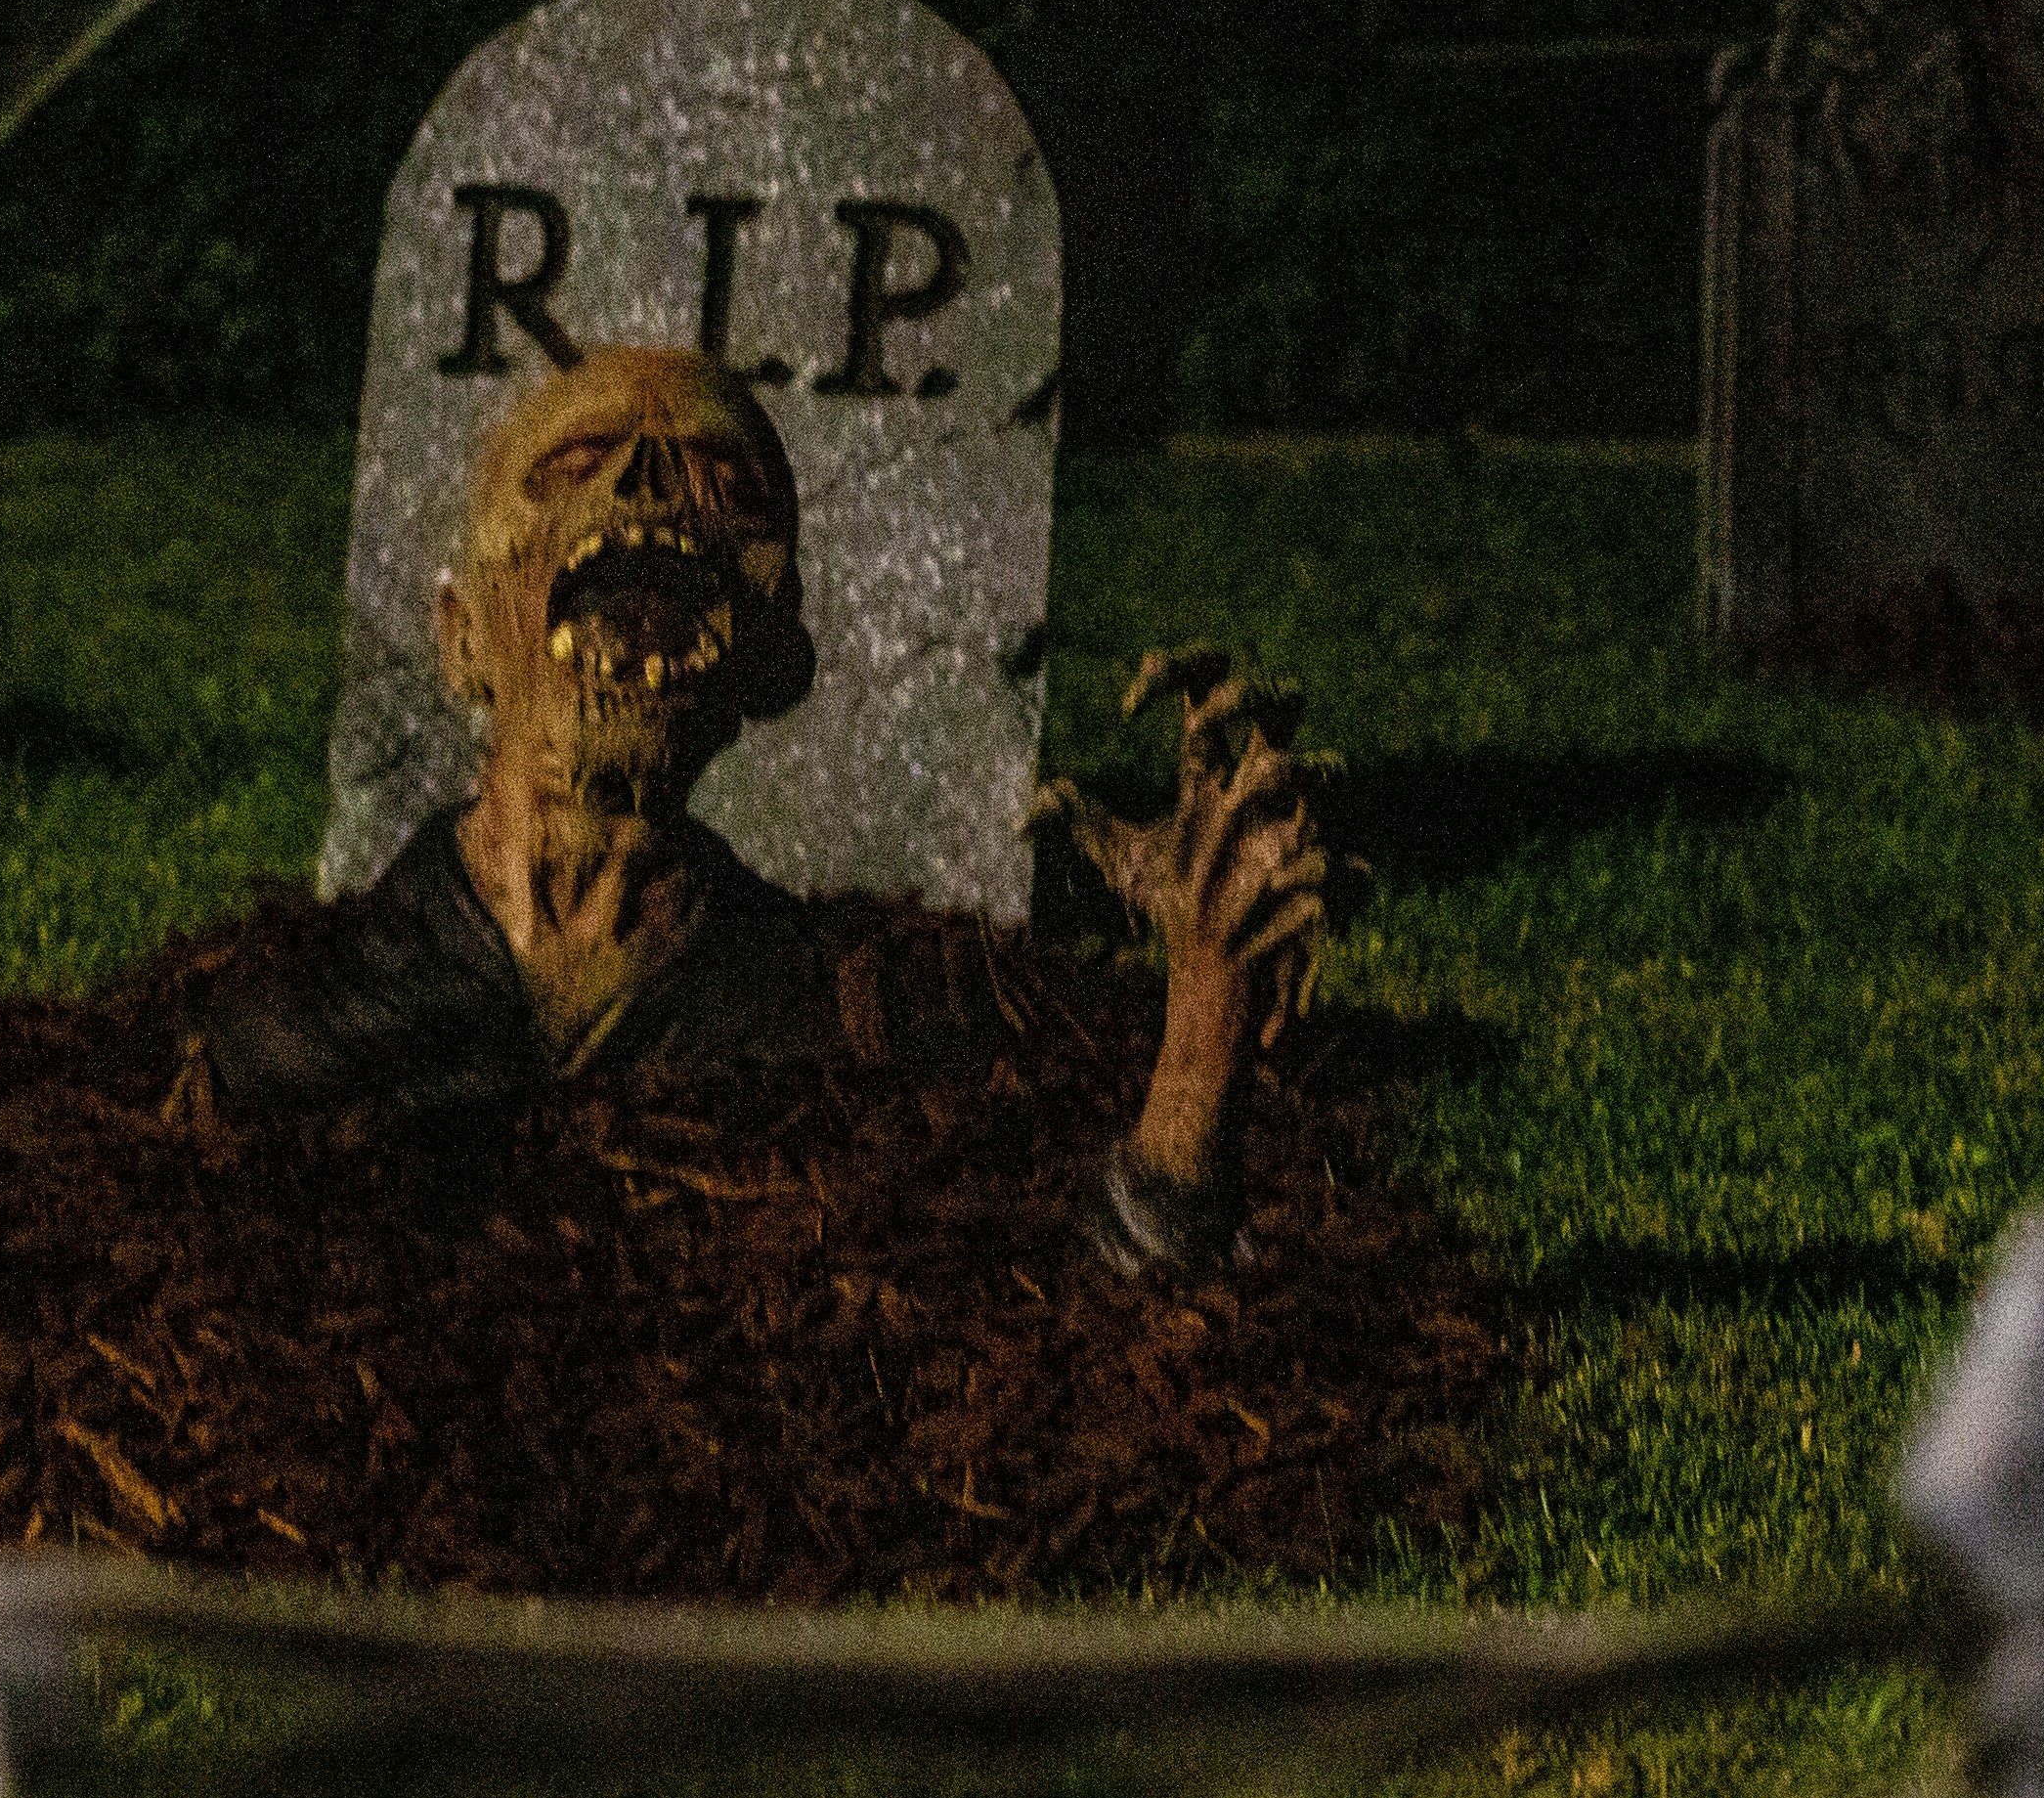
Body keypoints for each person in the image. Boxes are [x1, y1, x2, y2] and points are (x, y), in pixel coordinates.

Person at [200, 346, 1344, 1271]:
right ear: (462, 640)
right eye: (580, 460)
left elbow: (1027, 1307)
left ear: (773, 660)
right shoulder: (313, 1020)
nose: (644, 485)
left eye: (723, 485)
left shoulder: (835, 1024)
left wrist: (1200, 1031)